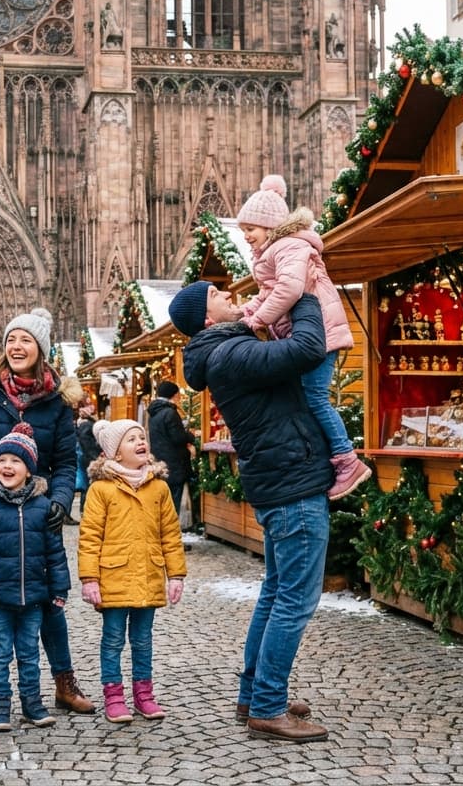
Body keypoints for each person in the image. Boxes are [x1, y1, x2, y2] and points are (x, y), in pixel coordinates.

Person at [167, 280, 330, 743]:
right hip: (292, 483)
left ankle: (254, 694)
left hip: (282, 481)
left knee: (277, 593)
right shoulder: (230, 353)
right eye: (216, 294)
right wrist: (303, 294)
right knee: (294, 600)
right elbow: (308, 349)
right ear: (206, 318)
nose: (228, 294)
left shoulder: (224, 350)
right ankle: (267, 707)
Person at [0, 307, 95, 723]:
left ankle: (64, 682)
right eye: (11, 339)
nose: (16, 346)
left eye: (25, 339)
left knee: (49, 605)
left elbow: (65, 461)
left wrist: (60, 500)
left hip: (35, 516)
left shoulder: (57, 402)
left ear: (41, 349)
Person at [235, 175, 371, 502]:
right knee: (307, 397)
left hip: (320, 335)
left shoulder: (290, 246)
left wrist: (257, 320)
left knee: (314, 397)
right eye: (243, 231)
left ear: (269, 225)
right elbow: (268, 293)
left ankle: (347, 460)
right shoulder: (275, 251)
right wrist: (242, 313)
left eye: (250, 229)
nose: (247, 237)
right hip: (308, 336)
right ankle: (333, 458)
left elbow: (289, 289)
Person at [0, 423, 70, 732]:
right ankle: (0, 706)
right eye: (2, 460)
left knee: (29, 653)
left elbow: (55, 552)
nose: (7, 466)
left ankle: (32, 703)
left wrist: (59, 588)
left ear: (29, 469)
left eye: (16, 460)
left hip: (33, 597)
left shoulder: (43, 506)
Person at [79, 420, 187, 723]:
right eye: (131, 439)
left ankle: (144, 695)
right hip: (113, 577)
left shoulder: (159, 487)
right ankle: (114, 696)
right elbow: (90, 537)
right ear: (114, 453)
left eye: (142, 437)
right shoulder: (101, 489)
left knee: (143, 640)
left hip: (148, 575)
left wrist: (176, 575)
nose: (140, 442)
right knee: (113, 639)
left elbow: (170, 534)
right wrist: (90, 579)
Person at [146, 381, 196, 516]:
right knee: (175, 498)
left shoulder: (154, 413)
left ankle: (165, 522)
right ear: (174, 395)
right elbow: (178, 438)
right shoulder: (169, 412)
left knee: (165, 497)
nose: (179, 397)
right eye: (178, 394)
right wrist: (191, 436)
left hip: (160, 460)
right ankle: (173, 524)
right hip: (174, 461)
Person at [74, 404, 102, 517]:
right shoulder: (87, 425)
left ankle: (84, 509)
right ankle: (85, 510)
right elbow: (86, 443)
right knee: (88, 485)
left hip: (86, 457)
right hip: (88, 458)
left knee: (87, 485)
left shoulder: (85, 424)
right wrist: (94, 457)